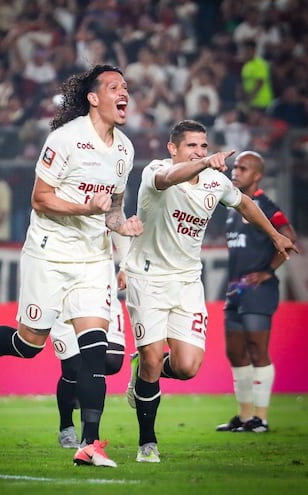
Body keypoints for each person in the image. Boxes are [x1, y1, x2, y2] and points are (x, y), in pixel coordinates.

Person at [0, 64, 143, 468]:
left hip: (92, 259)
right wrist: (88, 207)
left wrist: (123, 223)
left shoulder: (124, 149)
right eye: (115, 87)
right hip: (48, 254)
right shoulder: (65, 140)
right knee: (28, 344)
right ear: (93, 97)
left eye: (127, 88)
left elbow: (113, 208)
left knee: (95, 350)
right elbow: (40, 198)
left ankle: (90, 443)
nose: (125, 93)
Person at [124, 120, 298, 463]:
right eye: (192, 146)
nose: (200, 152)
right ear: (173, 148)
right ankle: (148, 443)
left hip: (188, 281)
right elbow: (169, 179)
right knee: (153, 357)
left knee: (187, 367)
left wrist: (275, 235)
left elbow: (246, 204)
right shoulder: (156, 171)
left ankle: (145, 371)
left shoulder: (216, 182)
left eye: (204, 147)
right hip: (148, 278)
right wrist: (202, 164)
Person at [216, 151, 297, 433]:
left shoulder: (265, 204)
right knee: (235, 352)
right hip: (236, 289)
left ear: (257, 175)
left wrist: (267, 271)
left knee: (257, 350)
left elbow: (289, 236)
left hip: (258, 290)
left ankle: (260, 418)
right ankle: (244, 415)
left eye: (243, 168)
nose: (235, 172)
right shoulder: (234, 205)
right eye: (235, 167)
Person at [52, 264, 127, 449]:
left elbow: (123, 235)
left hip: (102, 290)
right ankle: (68, 427)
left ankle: (84, 390)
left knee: (112, 361)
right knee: (74, 367)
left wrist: (124, 264)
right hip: (66, 292)